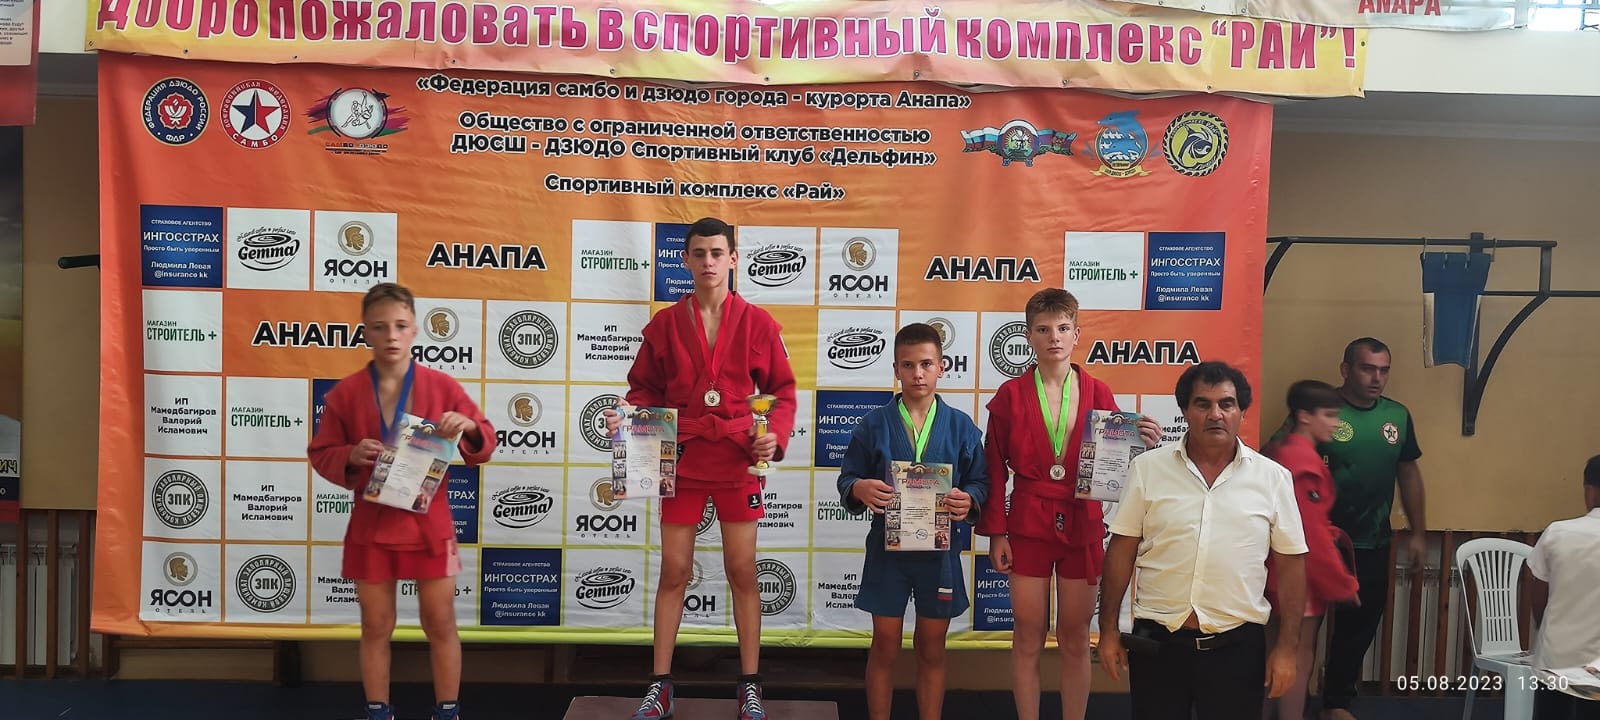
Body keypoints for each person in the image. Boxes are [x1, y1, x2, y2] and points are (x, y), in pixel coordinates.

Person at [605, 217, 797, 720]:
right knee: (674, 570)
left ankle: (750, 686)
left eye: (717, 253)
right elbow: (643, 388)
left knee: (742, 570)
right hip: (682, 457)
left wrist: (774, 434)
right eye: (699, 253)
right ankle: (660, 684)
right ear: (686, 260)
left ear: (733, 259)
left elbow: (782, 390)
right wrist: (629, 415)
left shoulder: (759, 323)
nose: (708, 262)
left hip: (737, 458)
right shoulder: (665, 324)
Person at [307, 282, 497, 720]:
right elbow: (321, 452)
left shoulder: (442, 386)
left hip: (429, 526)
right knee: (375, 626)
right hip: (372, 528)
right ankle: (378, 712)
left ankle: (447, 712)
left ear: (414, 329)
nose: (391, 335)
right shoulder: (346, 394)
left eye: (400, 325)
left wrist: (467, 424)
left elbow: (484, 440)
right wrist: (349, 454)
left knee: (440, 623)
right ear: (365, 332)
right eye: (379, 327)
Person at [974, 288, 1162, 720]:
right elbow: (994, 467)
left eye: (1062, 328)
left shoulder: (1098, 391)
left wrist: (1143, 444)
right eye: (1043, 330)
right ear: (1028, 336)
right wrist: (997, 533)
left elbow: (1116, 463)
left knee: (1076, 636)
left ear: (1077, 334)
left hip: (1082, 520)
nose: (1053, 337)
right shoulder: (1010, 394)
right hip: (1027, 519)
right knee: (1027, 635)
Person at [1098, 361, 1308, 720]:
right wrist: (1107, 630)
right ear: (1185, 411)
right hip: (1157, 643)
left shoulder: (1273, 479)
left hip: (1237, 648)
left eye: (1226, 404)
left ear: (1242, 412)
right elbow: (1121, 550)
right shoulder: (1148, 469)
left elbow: (1291, 566)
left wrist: (1288, 648)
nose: (1216, 414)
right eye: (1202, 404)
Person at [837, 323, 991, 720]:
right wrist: (859, 488)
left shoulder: (961, 426)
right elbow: (848, 478)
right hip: (888, 552)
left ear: (942, 367)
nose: (917, 374)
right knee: (885, 645)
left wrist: (969, 498)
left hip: (939, 554)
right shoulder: (873, 425)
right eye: (908, 365)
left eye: (926, 364)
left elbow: (980, 481)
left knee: (932, 647)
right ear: (896, 369)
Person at [1319, 337, 1427, 720]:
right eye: (1368, 368)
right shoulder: (1319, 410)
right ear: (1346, 369)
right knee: (1300, 628)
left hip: (1371, 541)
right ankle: (1283, 703)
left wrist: (1418, 532)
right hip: (1317, 542)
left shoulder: (1397, 415)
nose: (1377, 378)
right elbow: (1280, 461)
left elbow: (1408, 473)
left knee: (1359, 626)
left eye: (1384, 370)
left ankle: (1335, 703)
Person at [1262, 380, 1361, 720]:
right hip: (1298, 575)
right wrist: (1342, 584)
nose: (1335, 423)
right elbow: (1311, 536)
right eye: (1329, 415)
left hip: (1277, 571)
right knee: (1297, 658)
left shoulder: (1284, 452)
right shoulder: (1301, 461)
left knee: (1273, 657)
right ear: (1305, 416)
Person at [1527, 455, 1600, 720]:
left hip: (1555, 663)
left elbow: (1539, 600)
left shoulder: (1557, 533)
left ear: (1589, 490)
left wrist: (1548, 633)